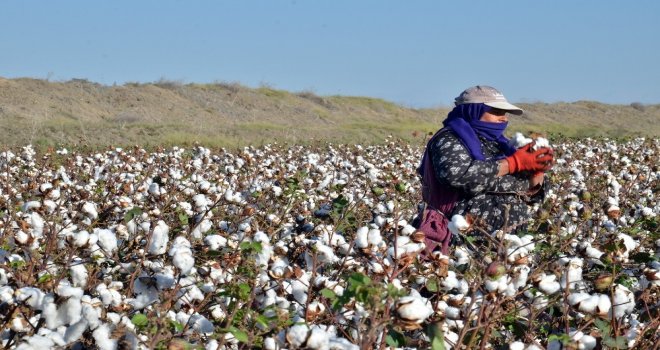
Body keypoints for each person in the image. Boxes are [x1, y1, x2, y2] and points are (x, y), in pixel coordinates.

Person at [416, 85, 553, 254]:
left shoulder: (503, 145)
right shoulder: (449, 139)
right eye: (496, 111)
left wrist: (537, 171)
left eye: (504, 113)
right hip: (462, 242)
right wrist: (512, 164)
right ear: (473, 110)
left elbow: (531, 198)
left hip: (509, 246)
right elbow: (458, 176)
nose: (503, 118)